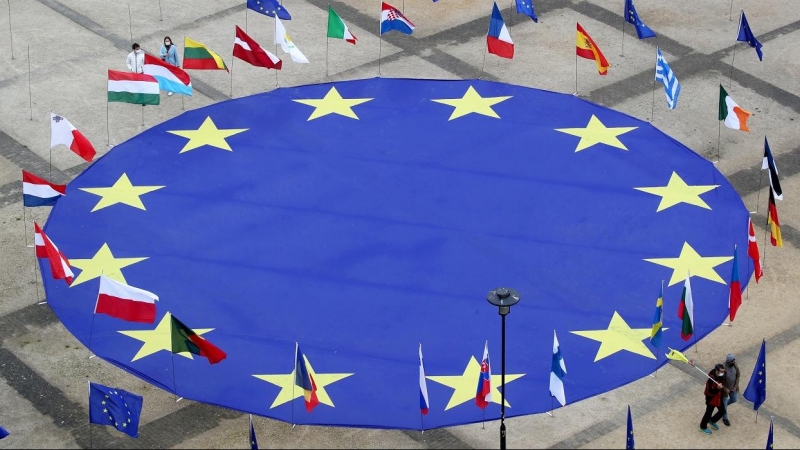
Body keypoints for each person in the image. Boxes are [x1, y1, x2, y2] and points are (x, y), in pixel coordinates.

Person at [700, 363, 729, 435]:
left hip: (719, 397)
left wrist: (724, 389)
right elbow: (709, 392)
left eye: (723, 371)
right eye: (721, 371)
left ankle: (712, 420)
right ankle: (703, 426)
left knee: (722, 411)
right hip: (711, 398)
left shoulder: (721, 377)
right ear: (717, 371)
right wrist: (717, 388)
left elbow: (722, 385)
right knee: (708, 413)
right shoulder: (711, 380)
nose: (722, 373)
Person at [721, 353, 740, 426]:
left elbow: (738, 375)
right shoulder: (723, 368)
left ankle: (722, 407)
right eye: (732, 361)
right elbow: (720, 382)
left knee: (734, 399)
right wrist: (725, 389)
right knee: (724, 403)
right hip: (724, 390)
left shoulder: (735, 366)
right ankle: (725, 418)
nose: (734, 362)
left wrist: (736, 385)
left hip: (733, 388)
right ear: (728, 361)